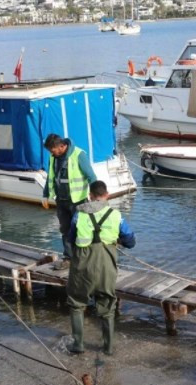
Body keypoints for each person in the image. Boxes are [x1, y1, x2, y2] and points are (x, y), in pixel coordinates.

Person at [66, 180, 136, 355]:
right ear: (107, 195)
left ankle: (78, 345)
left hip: (82, 264)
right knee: (107, 305)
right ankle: (108, 348)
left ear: (90, 196)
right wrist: (117, 240)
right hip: (106, 264)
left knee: (76, 303)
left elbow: (70, 240)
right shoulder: (116, 215)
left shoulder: (78, 215)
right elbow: (131, 241)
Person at [42, 134, 97, 270]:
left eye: (52, 150)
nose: (51, 153)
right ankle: (68, 258)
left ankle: (85, 258)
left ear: (61, 146)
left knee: (81, 230)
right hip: (61, 200)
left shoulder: (79, 155)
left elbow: (91, 176)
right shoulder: (53, 158)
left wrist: (95, 196)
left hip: (78, 201)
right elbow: (51, 176)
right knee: (65, 230)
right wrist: (45, 194)